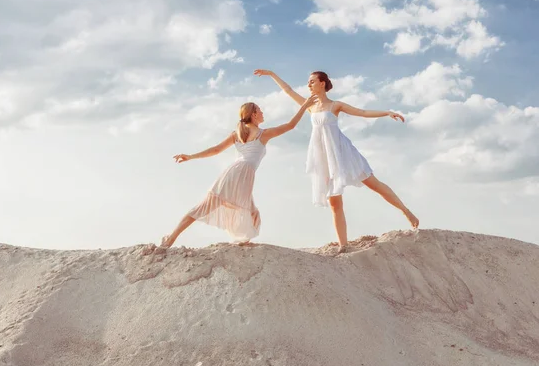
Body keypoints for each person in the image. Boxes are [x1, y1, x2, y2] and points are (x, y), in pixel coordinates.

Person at [254, 69, 419, 253]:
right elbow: (288, 90)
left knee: (374, 184)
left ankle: (406, 211)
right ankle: (343, 245)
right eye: (308, 82)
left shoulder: (335, 105)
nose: (308, 85)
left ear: (322, 83)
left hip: (343, 152)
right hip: (324, 157)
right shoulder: (309, 106)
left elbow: (362, 112)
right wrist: (272, 74)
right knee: (334, 202)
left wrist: (387, 113)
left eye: (312, 81)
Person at [160, 95, 318, 248]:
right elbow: (290, 125)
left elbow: (216, 150)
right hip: (241, 173)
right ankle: (171, 237)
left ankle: (241, 241)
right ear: (254, 114)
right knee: (217, 208)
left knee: (248, 212)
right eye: (260, 110)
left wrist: (191, 156)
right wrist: (304, 105)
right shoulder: (263, 134)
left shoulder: (239, 134)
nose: (263, 113)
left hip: (237, 173)